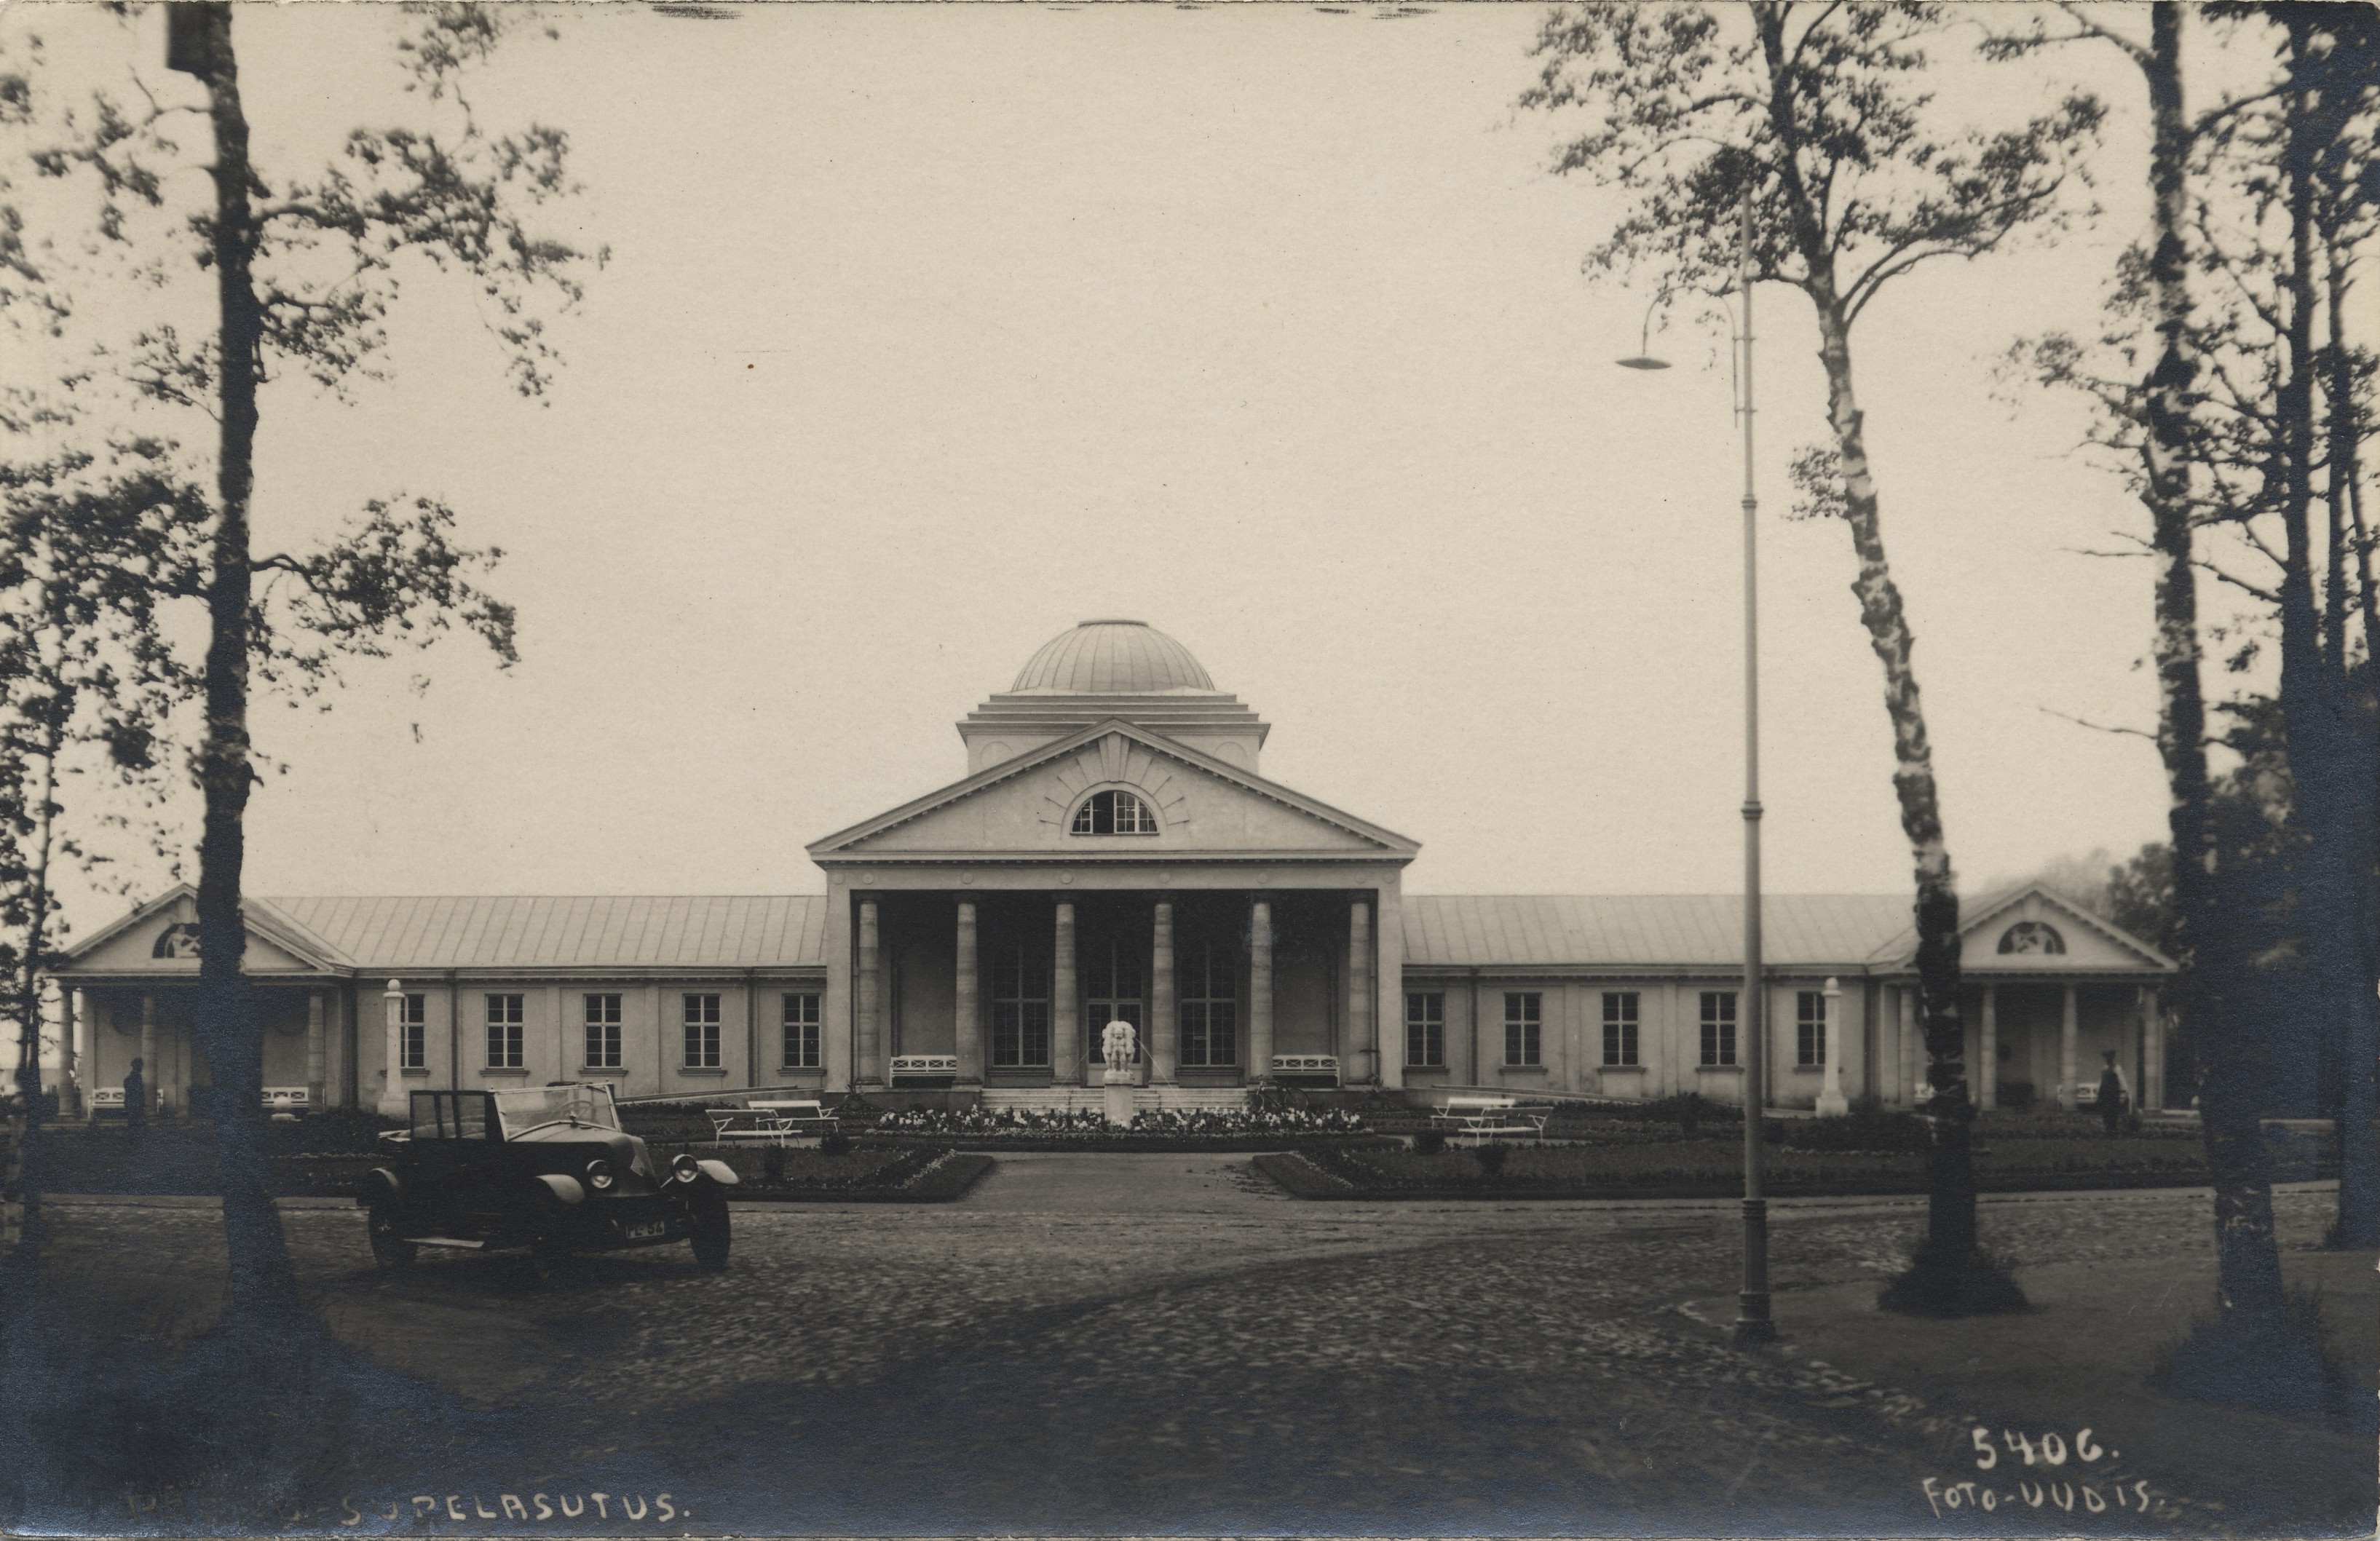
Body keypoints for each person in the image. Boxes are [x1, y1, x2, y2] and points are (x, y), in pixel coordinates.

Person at [2096, 1050, 2126, 1138]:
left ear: (2113, 1058)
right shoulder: (2104, 1069)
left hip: (2113, 1094)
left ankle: (2113, 1133)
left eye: (2109, 1057)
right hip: (2105, 1094)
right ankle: (2108, 1131)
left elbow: (2122, 1081)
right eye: (2106, 1057)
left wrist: (2123, 1093)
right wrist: (2099, 1093)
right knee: (2106, 1114)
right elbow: (2102, 1082)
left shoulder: (2117, 1068)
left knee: (2113, 1113)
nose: (2108, 1059)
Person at [123, 1057, 146, 1141]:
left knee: (132, 1123)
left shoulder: (130, 1078)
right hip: (135, 1103)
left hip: (131, 1103)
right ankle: (135, 1141)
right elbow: (138, 1092)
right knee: (136, 1123)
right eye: (140, 1066)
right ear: (136, 1066)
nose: (141, 1068)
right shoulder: (136, 1078)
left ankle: (133, 1139)